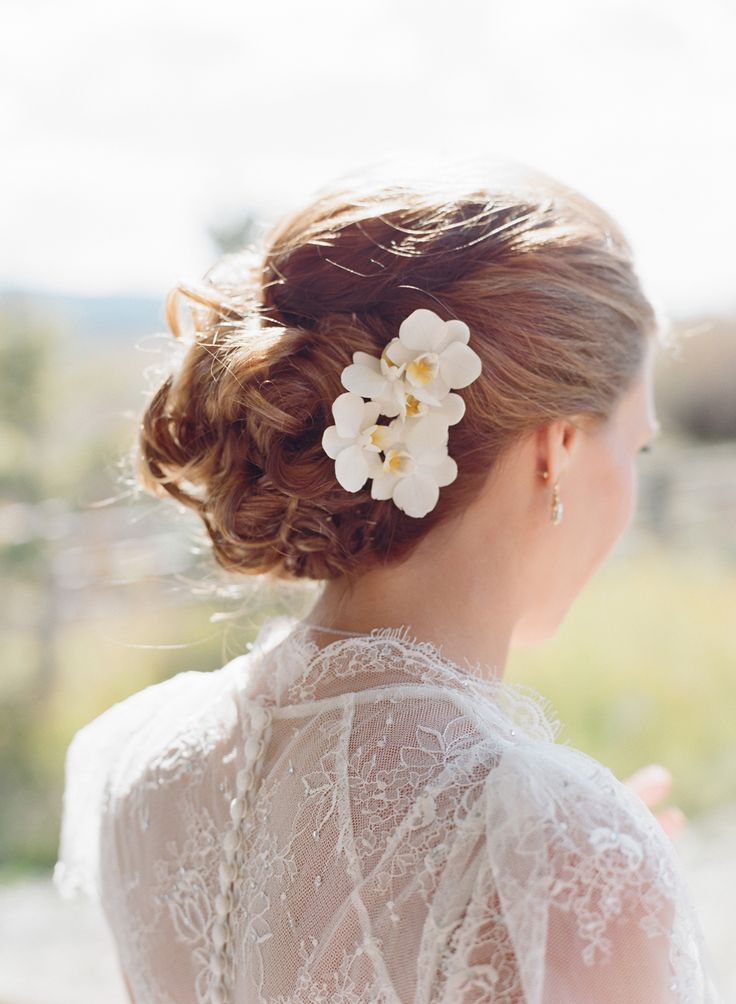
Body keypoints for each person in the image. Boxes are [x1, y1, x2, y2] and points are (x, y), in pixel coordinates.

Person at [54, 160, 724, 1002]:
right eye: (638, 444)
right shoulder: (559, 840)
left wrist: (536, 878)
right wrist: (568, 861)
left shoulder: (141, 759)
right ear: (556, 451)